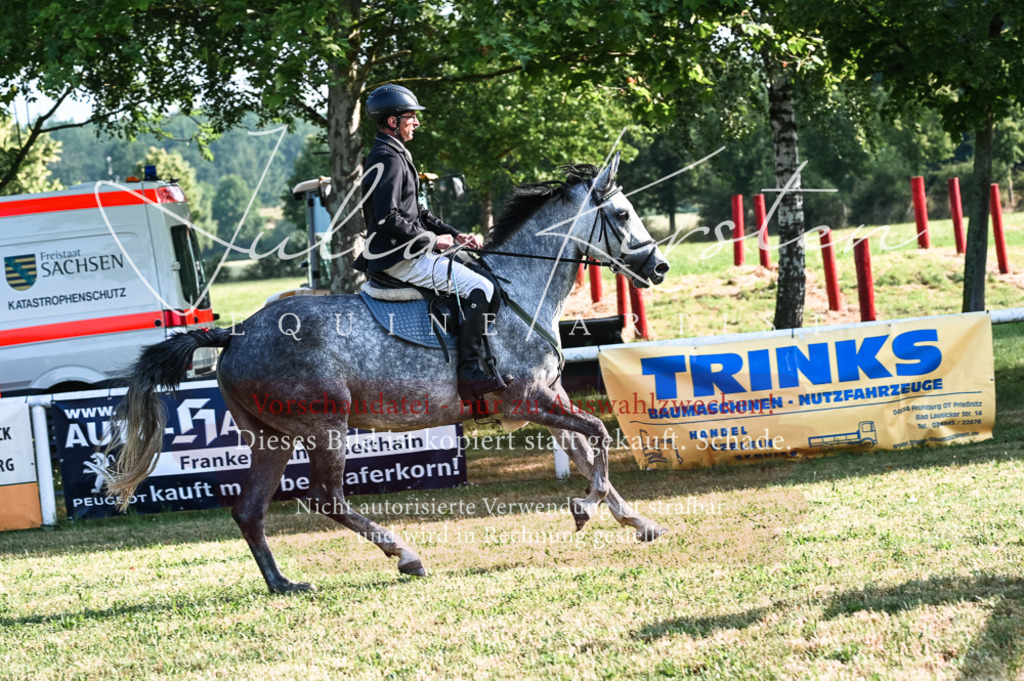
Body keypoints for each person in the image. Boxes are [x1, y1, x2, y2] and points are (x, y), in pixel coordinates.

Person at [357, 84, 512, 404]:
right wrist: (432, 240)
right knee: (481, 289)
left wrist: (454, 235)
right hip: (400, 259)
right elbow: (387, 219)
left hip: (409, 251)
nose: (416, 122)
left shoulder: (395, 152)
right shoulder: (387, 158)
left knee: (478, 274)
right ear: (391, 122)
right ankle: (469, 375)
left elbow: (419, 212)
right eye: (410, 117)